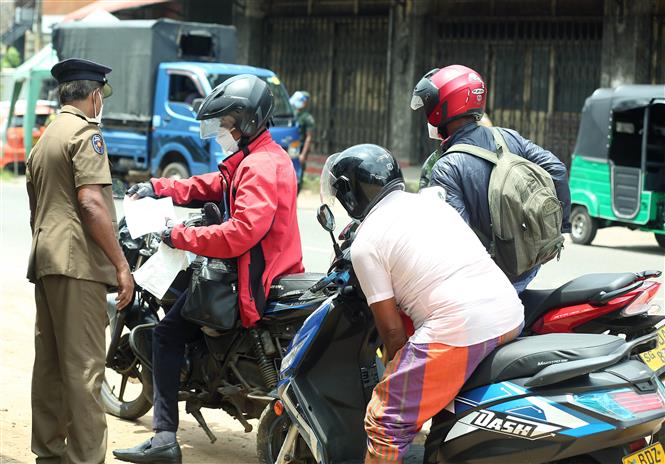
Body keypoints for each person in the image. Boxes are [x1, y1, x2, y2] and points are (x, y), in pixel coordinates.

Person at [113, 74, 304, 464]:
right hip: (263, 269)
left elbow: (240, 233)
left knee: (166, 334)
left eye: (226, 125)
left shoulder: (260, 166)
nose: (220, 133)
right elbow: (214, 184)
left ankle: (165, 438)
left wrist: (177, 235)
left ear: (247, 122)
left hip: (254, 279)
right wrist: (161, 187)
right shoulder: (259, 158)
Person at [320, 144, 524, 464]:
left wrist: (393, 375)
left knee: (385, 419)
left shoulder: (366, 243)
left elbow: (391, 333)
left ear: (350, 194)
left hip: (460, 329)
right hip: (509, 314)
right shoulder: (432, 204)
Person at [26, 58, 134, 464]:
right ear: (94, 96)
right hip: (79, 265)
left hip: (48, 259)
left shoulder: (47, 136)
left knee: (51, 367)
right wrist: (121, 265)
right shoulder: (87, 136)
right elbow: (91, 203)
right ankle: (87, 459)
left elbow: (36, 210)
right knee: (86, 370)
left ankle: (50, 454)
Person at [411, 65, 571, 293]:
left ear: (443, 106)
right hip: (530, 265)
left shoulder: (446, 167)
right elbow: (557, 169)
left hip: (492, 283)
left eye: (429, 104)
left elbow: (455, 243)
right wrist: (557, 234)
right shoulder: (507, 136)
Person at [289, 90, 316, 191]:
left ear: (304, 102)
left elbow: (309, 137)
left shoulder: (307, 118)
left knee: (298, 176)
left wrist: (303, 154)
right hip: (291, 148)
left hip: (300, 150)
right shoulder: (292, 114)